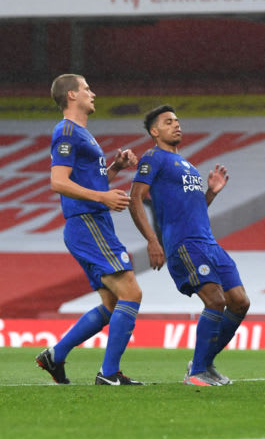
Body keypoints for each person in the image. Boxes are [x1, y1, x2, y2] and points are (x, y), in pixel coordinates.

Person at [128, 105, 250, 386]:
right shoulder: (153, 157)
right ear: (154, 131)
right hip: (184, 243)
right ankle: (197, 372)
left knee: (240, 302)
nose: (176, 125)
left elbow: (193, 211)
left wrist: (211, 193)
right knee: (215, 301)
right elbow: (135, 198)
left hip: (208, 242)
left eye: (177, 120)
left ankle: (202, 363)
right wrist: (152, 240)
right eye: (168, 122)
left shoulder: (187, 166)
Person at [36, 73, 143, 386]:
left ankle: (55, 355)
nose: (92, 93)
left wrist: (116, 168)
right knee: (131, 292)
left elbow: (89, 182)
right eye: (86, 88)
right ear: (71, 95)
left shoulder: (82, 134)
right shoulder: (67, 131)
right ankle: (109, 374)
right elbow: (58, 181)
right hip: (87, 222)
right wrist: (102, 198)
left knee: (112, 304)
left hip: (91, 222)